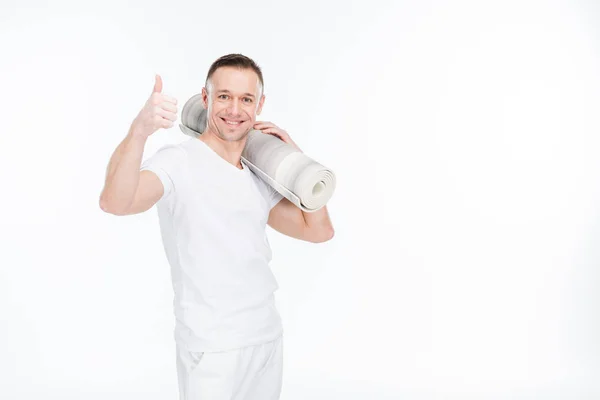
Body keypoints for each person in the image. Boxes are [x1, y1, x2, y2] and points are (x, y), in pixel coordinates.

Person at [98, 53, 334, 400]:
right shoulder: (177, 162)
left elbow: (319, 230)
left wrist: (296, 158)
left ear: (260, 105)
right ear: (206, 98)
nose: (234, 109)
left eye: (246, 99)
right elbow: (115, 202)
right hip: (212, 348)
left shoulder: (257, 174)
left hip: (265, 338)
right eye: (224, 96)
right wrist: (139, 131)